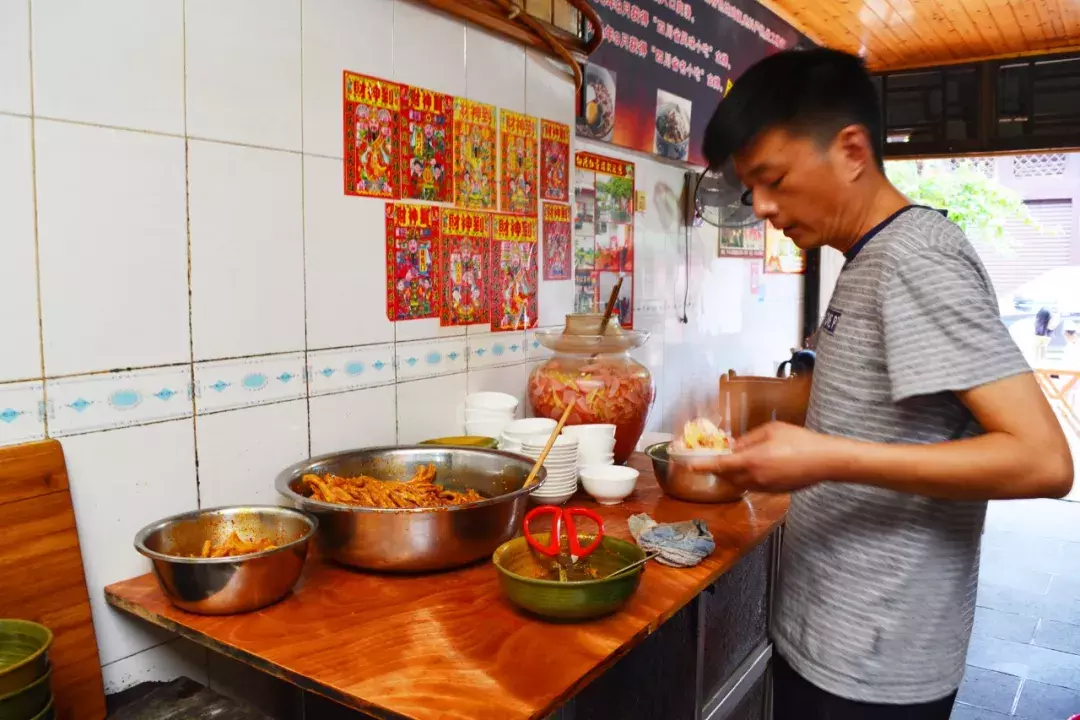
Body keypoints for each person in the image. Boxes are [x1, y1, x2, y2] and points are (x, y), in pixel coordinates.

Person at [694, 48, 1073, 720]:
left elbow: (1042, 459)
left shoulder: (916, 256)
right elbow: (889, 402)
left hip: (876, 661)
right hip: (834, 630)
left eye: (772, 179)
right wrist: (765, 408)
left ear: (850, 150)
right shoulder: (867, 257)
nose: (762, 207)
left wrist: (825, 457)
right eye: (751, 188)